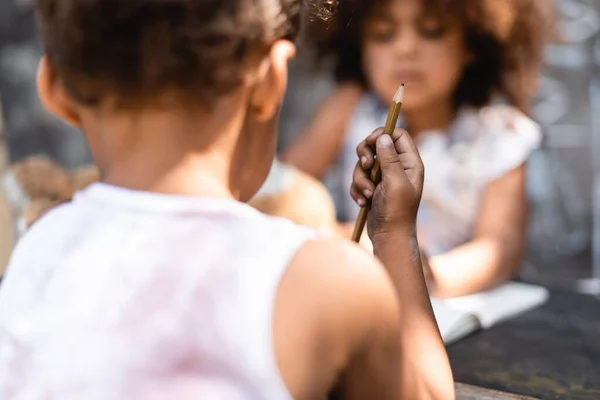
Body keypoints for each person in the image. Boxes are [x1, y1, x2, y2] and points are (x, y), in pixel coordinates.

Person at [0, 0, 454, 399]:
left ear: (55, 90)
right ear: (271, 78)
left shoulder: (42, 245)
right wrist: (394, 235)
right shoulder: (326, 282)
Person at [283, 0, 555, 298]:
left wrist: (429, 276)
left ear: (471, 43)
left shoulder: (500, 136)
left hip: (445, 304)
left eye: (432, 31)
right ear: (359, 47)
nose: (406, 48)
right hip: (356, 289)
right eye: (383, 34)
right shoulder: (350, 109)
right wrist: (329, 232)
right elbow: (282, 187)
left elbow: (499, 249)